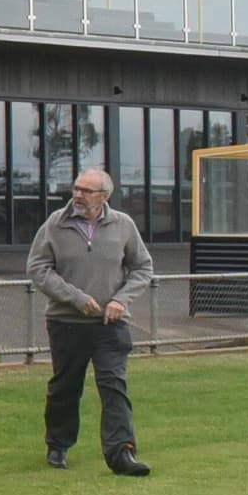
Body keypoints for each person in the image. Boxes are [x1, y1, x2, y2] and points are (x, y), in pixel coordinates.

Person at [28, 165, 154, 474]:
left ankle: (122, 453)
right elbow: (39, 269)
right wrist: (77, 299)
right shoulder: (55, 224)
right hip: (67, 322)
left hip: (111, 324)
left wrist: (120, 301)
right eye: (76, 188)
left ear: (104, 196)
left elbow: (143, 268)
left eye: (86, 190)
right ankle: (58, 445)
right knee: (65, 387)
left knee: (114, 385)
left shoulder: (123, 225)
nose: (78, 195)